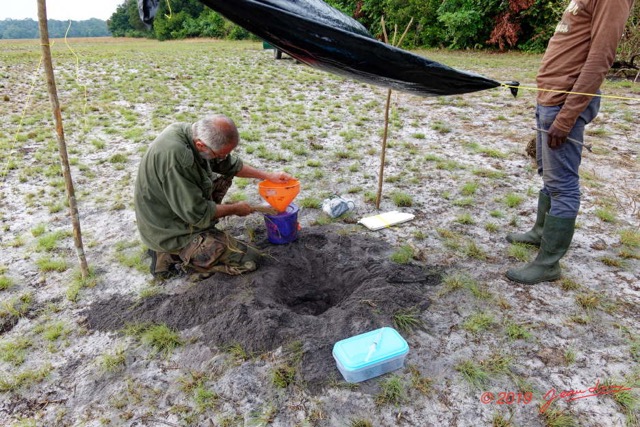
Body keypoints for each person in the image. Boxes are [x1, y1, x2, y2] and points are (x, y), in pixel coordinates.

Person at [506, 0, 634, 285]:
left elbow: (601, 58)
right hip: (549, 98)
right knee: (549, 176)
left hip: (564, 105)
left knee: (563, 186)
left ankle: (549, 264)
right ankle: (541, 233)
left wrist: (566, 117)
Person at [134, 114, 292, 278]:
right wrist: (235, 209)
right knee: (250, 259)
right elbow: (198, 213)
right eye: (220, 154)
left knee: (223, 177)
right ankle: (174, 255)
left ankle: (185, 245)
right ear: (201, 145)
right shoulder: (179, 160)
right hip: (171, 228)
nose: (223, 157)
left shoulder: (190, 134)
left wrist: (268, 175)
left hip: (177, 210)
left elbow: (229, 165)